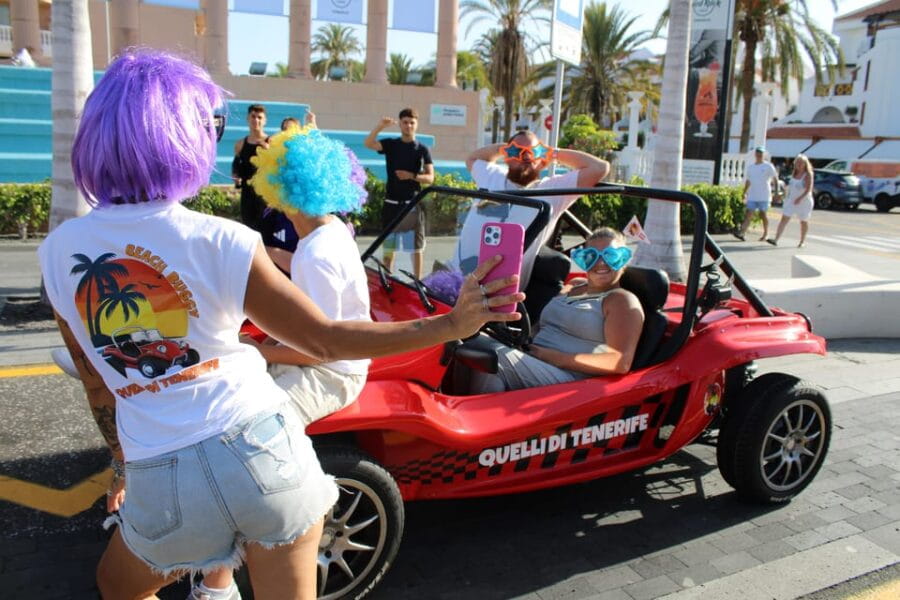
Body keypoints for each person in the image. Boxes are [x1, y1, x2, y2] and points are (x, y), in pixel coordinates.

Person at [38, 49, 523, 600]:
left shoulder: (58, 253)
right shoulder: (224, 240)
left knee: (117, 586)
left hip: (163, 469)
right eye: (210, 123)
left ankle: (216, 585)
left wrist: (122, 466)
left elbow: (100, 384)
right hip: (269, 452)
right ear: (184, 137)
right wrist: (451, 325)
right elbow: (325, 338)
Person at [194, 118, 372, 600]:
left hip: (330, 371)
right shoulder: (329, 232)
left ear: (283, 189)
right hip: (331, 356)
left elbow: (318, 346)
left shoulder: (315, 252)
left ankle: (279, 523)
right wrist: (278, 258)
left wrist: (260, 349)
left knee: (252, 433)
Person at [471, 227, 644, 393]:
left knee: (490, 354)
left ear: (623, 260)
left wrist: (552, 357)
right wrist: (520, 341)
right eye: (591, 256)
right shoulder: (574, 285)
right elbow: (544, 324)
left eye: (610, 256)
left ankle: (469, 418)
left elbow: (619, 362)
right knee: (470, 338)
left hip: (570, 379)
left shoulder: (621, 300)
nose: (600, 263)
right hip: (535, 360)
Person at [453, 130, 610, 288]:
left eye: (533, 152)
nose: (525, 157)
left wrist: (552, 153)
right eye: (517, 151)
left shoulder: (552, 190)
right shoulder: (492, 176)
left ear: (542, 160)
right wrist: (503, 148)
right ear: (506, 157)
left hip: (496, 292)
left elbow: (599, 168)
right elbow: (472, 158)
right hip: (451, 279)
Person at [363, 108, 435, 278]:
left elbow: (430, 178)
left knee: (416, 249)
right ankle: (387, 280)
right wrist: (379, 127)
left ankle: (418, 282)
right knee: (389, 248)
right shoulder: (391, 144)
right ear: (400, 124)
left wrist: (412, 176)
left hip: (412, 206)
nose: (408, 125)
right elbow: (368, 143)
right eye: (405, 122)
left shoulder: (422, 149)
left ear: (416, 124)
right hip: (391, 205)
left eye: (412, 122)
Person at [232, 104, 270, 231]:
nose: (256, 120)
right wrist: (236, 177)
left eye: (260, 117)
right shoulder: (240, 144)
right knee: (249, 230)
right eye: (253, 116)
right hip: (248, 196)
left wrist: (269, 152)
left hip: (267, 196)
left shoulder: (272, 142)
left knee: (266, 231)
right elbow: (236, 166)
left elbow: (278, 167)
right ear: (248, 118)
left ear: (265, 121)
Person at [768, 154, 814, 248]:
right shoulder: (794, 173)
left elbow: (808, 189)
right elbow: (790, 188)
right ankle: (776, 239)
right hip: (791, 200)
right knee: (784, 218)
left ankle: (802, 241)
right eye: (797, 162)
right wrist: (783, 196)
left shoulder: (808, 174)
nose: (799, 164)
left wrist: (800, 198)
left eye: (801, 163)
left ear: (805, 164)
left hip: (804, 201)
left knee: (803, 221)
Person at [733, 146, 778, 241]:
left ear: (763, 155)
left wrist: (776, 192)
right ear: (755, 154)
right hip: (753, 195)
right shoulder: (751, 167)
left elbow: (775, 179)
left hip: (764, 195)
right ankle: (742, 233)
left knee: (763, 214)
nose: (759, 155)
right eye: (758, 153)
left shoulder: (768, 166)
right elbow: (748, 181)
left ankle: (766, 233)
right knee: (749, 213)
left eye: (761, 153)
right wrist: (744, 192)